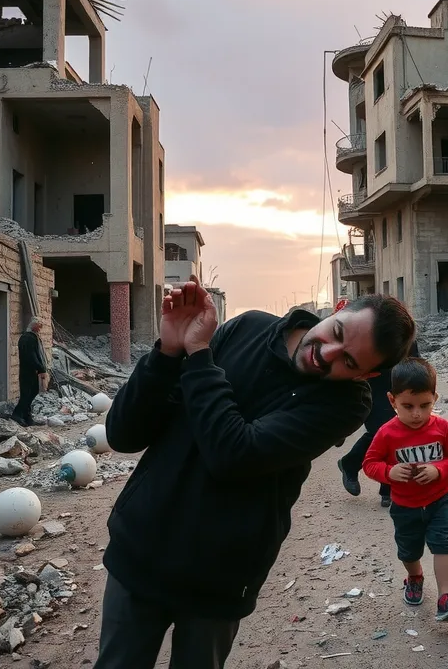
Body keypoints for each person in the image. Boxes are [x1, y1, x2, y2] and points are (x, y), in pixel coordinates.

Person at [94, 280, 415, 669]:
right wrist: (168, 351)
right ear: (338, 308)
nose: (326, 354)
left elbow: (234, 455)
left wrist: (198, 355)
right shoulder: (248, 328)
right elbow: (123, 435)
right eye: (337, 333)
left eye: (349, 362)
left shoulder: (345, 404)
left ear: (366, 376)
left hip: (220, 577)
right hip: (142, 547)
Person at [362, 357, 448, 622]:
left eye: (425, 405)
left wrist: (440, 469)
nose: (417, 414)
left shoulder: (442, 428)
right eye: (407, 406)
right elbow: (369, 463)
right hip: (405, 507)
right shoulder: (387, 433)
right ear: (392, 401)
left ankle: (446, 598)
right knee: (409, 552)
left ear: (434, 398)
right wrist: (389, 473)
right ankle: (414, 577)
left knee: (443, 545)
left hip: (439, 500)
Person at [338, 338, 421, 508]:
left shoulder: (408, 337)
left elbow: (417, 364)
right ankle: (351, 465)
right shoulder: (370, 333)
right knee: (381, 433)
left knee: (395, 436)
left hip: (400, 392)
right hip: (373, 391)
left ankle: (385, 489)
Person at [12, 317, 48, 427]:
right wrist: (41, 368)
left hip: (29, 370)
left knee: (31, 392)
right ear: (34, 326)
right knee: (27, 394)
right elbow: (31, 355)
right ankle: (17, 414)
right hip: (29, 370)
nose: (41, 328)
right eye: (39, 325)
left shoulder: (28, 337)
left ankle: (27, 416)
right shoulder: (29, 338)